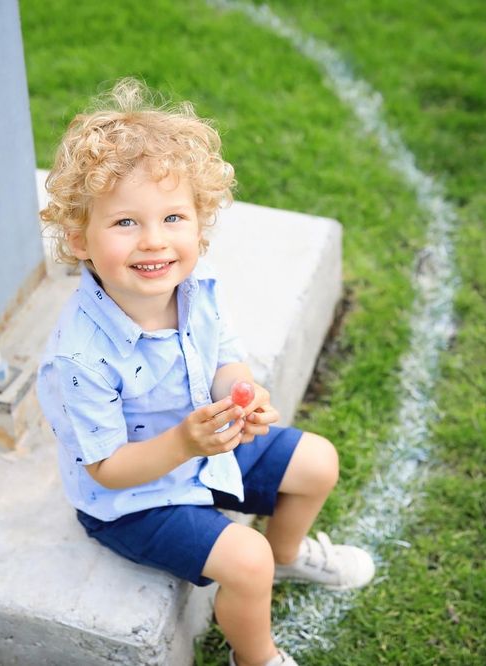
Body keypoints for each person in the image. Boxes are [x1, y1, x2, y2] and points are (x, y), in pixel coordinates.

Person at [36, 78, 374, 666]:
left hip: (203, 448)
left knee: (318, 462)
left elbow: (224, 357)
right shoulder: (80, 357)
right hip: (133, 501)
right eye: (124, 223)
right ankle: (257, 656)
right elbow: (110, 470)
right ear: (78, 237)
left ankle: (288, 554)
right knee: (246, 561)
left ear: (201, 223)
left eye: (173, 217)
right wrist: (186, 441)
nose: (154, 241)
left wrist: (244, 396)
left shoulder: (196, 289)